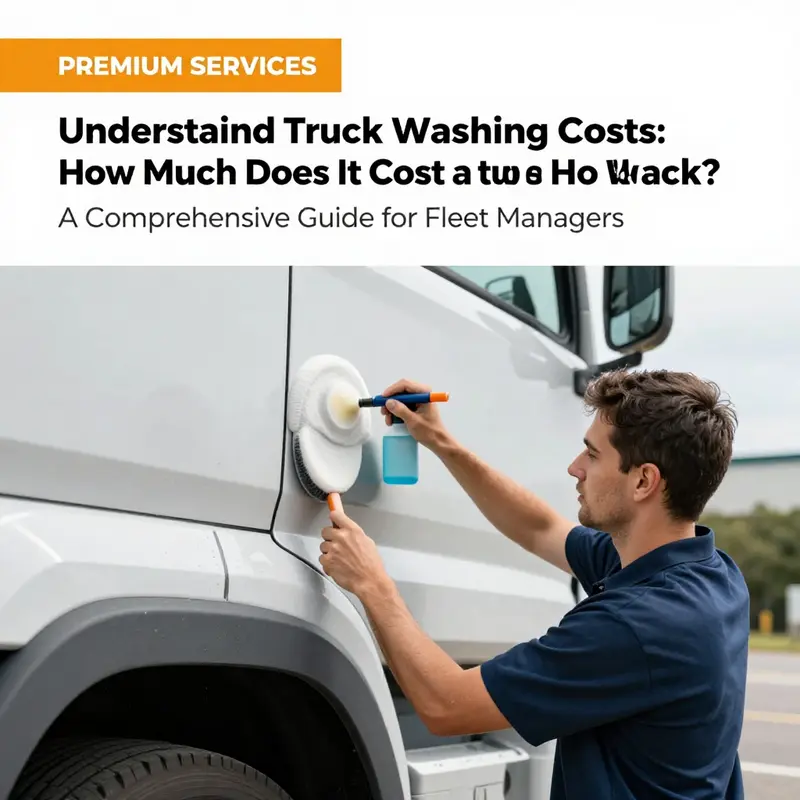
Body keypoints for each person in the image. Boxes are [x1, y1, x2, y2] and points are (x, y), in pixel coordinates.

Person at [319, 369, 749, 800]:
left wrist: (371, 582)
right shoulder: (712, 575)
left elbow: (445, 703)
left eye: (592, 455)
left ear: (643, 481)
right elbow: (539, 528)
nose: (574, 468)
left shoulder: (639, 626)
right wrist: (440, 441)